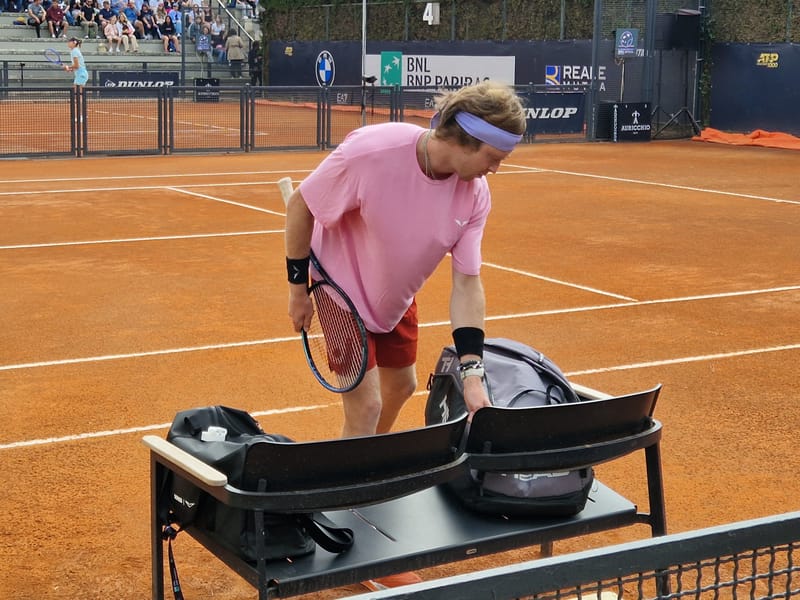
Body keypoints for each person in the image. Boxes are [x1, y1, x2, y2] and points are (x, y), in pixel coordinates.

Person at [284, 80, 526, 438]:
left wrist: (472, 376)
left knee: (401, 387)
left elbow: (467, 284)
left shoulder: (475, 195)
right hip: (339, 290)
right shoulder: (372, 150)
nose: (495, 169)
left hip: (395, 297)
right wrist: (297, 290)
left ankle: (370, 452)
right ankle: (353, 470)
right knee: (366, 407)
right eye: (493, 158)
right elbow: (300, 205)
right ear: (465, 139)